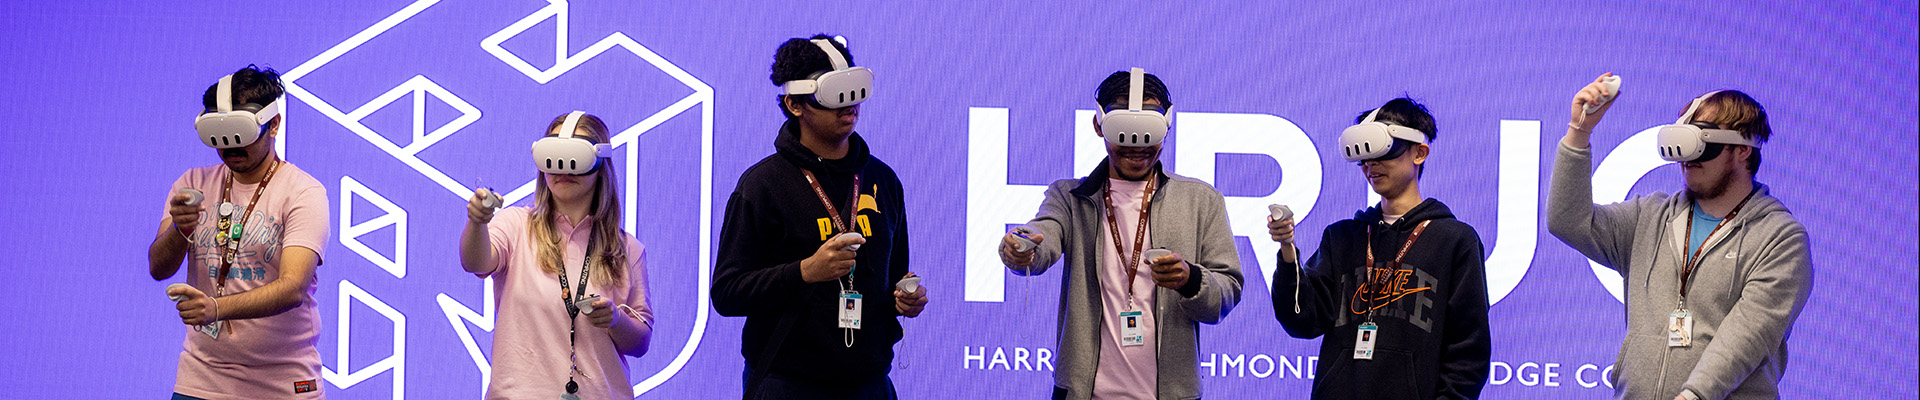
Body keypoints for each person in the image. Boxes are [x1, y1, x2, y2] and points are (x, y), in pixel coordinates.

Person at [1549, 74, 1812, 400]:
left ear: (1743, 149)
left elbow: (1749, 334)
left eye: (1702, 143)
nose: (1687, 158)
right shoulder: (1649, 217)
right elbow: (1567, 221)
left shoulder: (1779, 239)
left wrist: (1694, 395)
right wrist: (1580, 131)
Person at [999, 68, 1244, 400]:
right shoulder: (1070, 198)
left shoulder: (1201, 201)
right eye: (1123, 134)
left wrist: (1189, 279)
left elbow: (1226, 293)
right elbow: (1046, 233)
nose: (1136, 148)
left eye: (1147, 133)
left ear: (1166, 125)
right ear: (1099, 125)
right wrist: (1023, 249)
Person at [711, 34, 927, 400]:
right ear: (795, 104)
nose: (851, 106)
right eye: (835, 96)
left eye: (855, 91)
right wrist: (805, 271)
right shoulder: (762, 185)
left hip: (870, 383)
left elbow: (894, 274)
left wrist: (905, 298)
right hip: (787, 382)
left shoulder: (882, 180)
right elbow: (728, 293)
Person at [1267, 97, 1491, 399]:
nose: (1371, 165)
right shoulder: (1342, 237)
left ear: (1419, 153)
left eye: (1383, 152)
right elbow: (1301, 320)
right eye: (1364, 158)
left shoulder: (1455, 241)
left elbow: (1468, 350)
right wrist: (1287, 250)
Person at [149, 65, 331, 399]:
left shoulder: (304, 193)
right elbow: (158, 268)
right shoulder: (192, 184)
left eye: (241, 133)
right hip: (201, 380)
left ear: (273, 124)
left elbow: (292, 288)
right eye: (219, 136)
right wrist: (180, 229)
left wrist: (216, 309)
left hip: (283, 384)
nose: (231, 148)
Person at [459, 111, 654, 400]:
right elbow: (475, 262)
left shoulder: (627, 249)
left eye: (576, 156)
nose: (564, 169)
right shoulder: (515, 225)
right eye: (553, 157)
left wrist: (614, 319)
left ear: (600, 165)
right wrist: (477, 222)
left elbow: (640, 342)